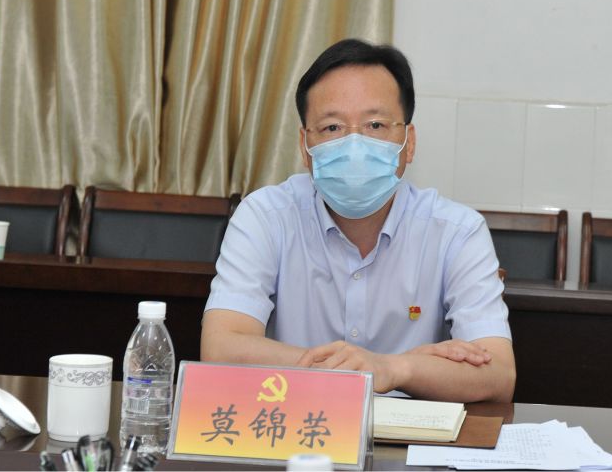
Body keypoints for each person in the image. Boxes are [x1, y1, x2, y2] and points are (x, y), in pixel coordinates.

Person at [201, 39, 516, 403]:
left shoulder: (457, 232)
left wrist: (393, 368)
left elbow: (498, 374)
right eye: (332, 128)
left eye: (375, 125)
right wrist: (358, 370)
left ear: (409, 142)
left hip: (408, 436)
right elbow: (221, 348)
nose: (354, 146)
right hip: (297, 424)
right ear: (305, 146)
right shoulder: (264, 217)